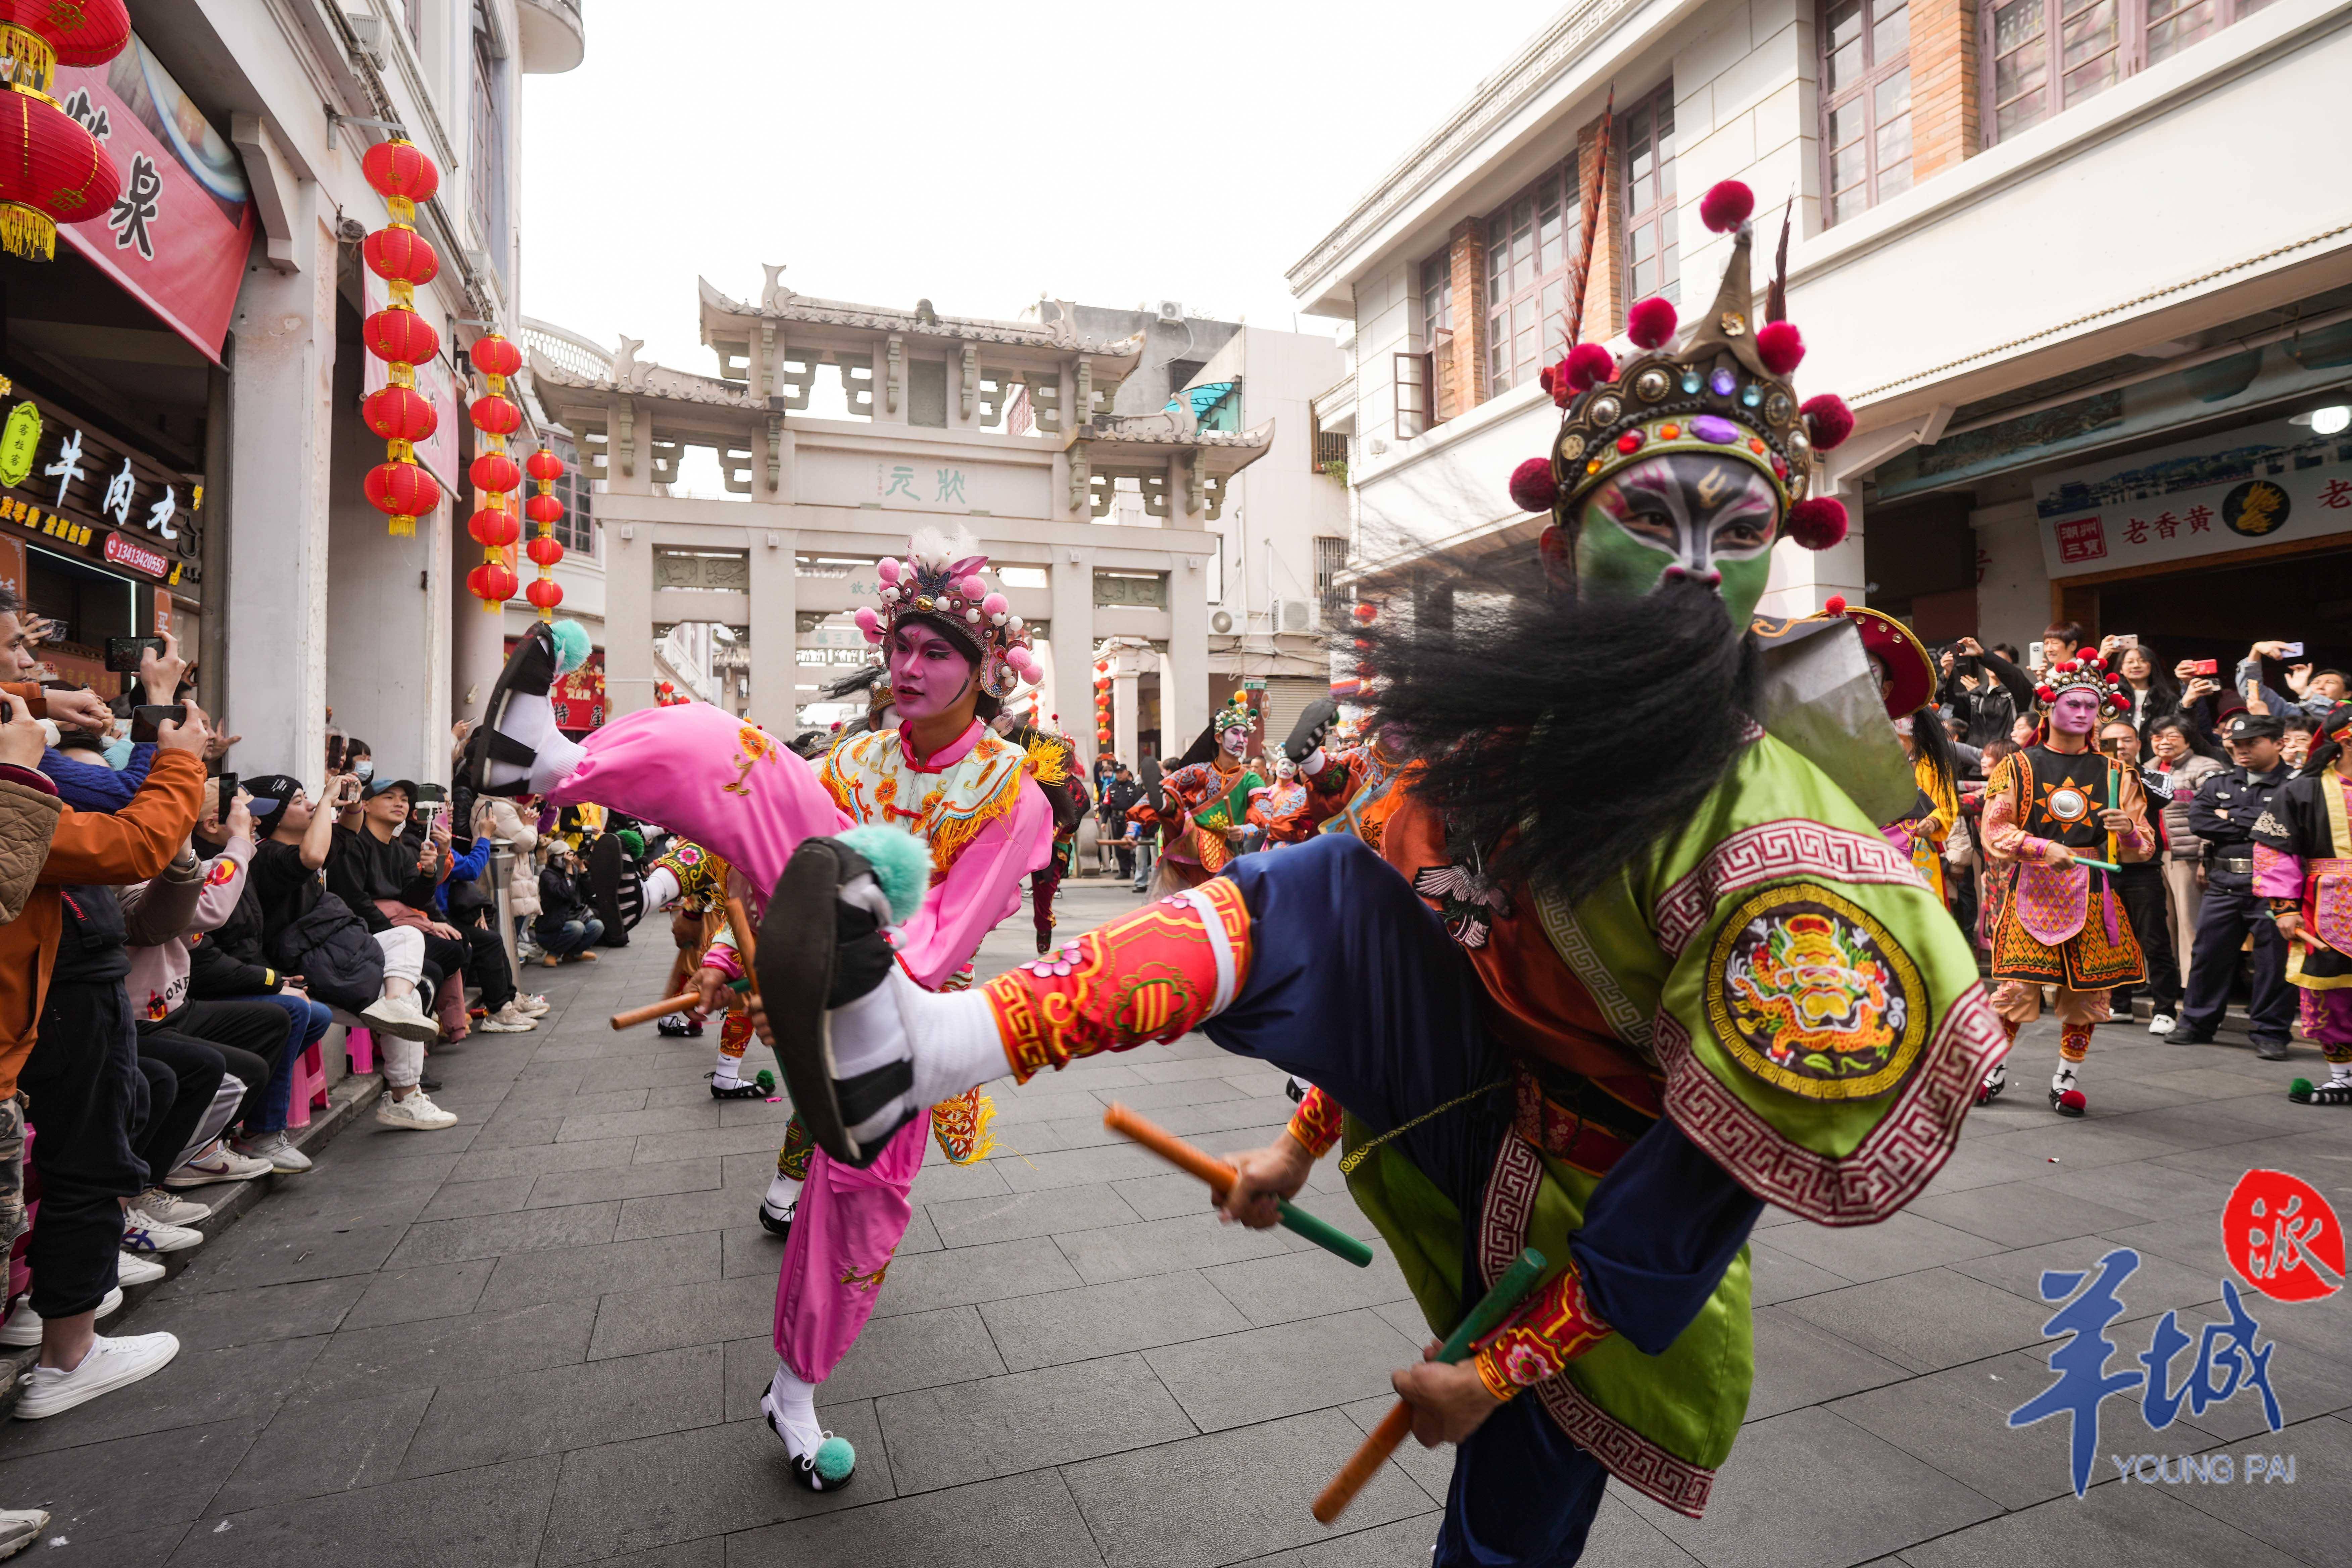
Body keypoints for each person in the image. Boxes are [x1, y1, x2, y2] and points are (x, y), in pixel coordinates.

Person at [740, 195, 2001, 1561]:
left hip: (1602, 1217)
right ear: (1566, 546)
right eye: (1656, 513)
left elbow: (1705, 1179)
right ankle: (933, 1043)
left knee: (1510, 1519)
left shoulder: (1791, 852)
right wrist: (1294, 1144)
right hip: (1468, 1105)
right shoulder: (1503, 747)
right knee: (1337, 880)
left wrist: (1507, 1364)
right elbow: (1402, 944)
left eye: (1740, 525)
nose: (1699, 563)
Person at [463, 524, 1052, 1492]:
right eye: (899, 646)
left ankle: (795, 1387)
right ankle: (548, 763)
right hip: (818, 958)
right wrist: (738, 956)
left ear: (984, 672)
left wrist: (821, 971)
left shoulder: (1010, 792)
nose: (907, 666)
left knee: (862, 1217)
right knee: (736, 748)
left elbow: (947, 933)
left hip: (904, 1017)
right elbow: (762, 859)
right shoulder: (855, 763)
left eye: (935, 652)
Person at [1976, 651, 2154, 1114]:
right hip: (2032, 889)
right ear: (2049, 707)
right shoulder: (2017, 766)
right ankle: (1993, 1071)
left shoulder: (2117, 774)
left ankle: (2065, 1080)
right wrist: (2039, 848)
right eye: (2072, 704)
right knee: (2015, 988)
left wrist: (2128, 831)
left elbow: (2145, 846)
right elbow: (1995, 830)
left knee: (2088, 994)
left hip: (2094, 893)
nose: (2081, 713)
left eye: (2090, 707)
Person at [239, 772, 454, 1129]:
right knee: (411, 999)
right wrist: (325, 802)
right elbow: (313, 855)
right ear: (273, 815)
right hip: (309, 967)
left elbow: (348, 830)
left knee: (407, 939)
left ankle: (395, 1008)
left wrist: (352, 803)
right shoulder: (268, 857)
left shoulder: (303, 847)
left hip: (337, 953)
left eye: (309, 799)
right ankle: (404, 1097)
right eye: (298, 801)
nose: (309, 804)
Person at [2178, 713, 2297, 1058]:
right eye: (2237, 745)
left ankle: (2270, 1032)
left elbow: (2289, 830)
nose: (2242, 751)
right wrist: (2256, 822)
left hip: (2274, 885)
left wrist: (2230, 818)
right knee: (2209, 954)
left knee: (2274, 961)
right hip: (2225, 881)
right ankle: (2197, 1023)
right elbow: (2199, 821)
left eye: (2252, 744)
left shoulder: (2297, 783)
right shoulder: (2220, 782)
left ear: (2279, 743)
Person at [2257, 704, 2352, 1102]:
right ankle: (2343, 1076)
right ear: (2345, 740)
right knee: (2331, 991)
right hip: (2327, 906)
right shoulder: (2302, 789)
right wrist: (2285, 906)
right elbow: (2274, 850)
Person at [2095, 719, 2181, 1038]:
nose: (2120, 746)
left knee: (2155, 940)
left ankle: (2164, 1010)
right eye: (2111, 741)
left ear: (2138, 744)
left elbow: (2162, 798)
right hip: (2101, 865)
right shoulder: (2091, 776)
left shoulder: (2155, 777)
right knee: (2113, 940)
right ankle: (2121, 1004)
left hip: (2142, 868)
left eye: (2127, 740)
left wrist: (2126, 776)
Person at [2140, 716, 2223, 1034]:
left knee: (2191, 926)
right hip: (2154, 856)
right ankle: (2166, 985)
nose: (2163, 742)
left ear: (2188, 738)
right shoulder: (2146, 768)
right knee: (2162, 928)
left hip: (2188, 857)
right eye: (2157, 737)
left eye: (2171, 736)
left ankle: (2193, 989)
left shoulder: (2204, 767)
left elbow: (2216, 813)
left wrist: (2206, 856)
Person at [1127, 700, 1263, 892]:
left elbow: (1263, 812)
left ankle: (1168, 807)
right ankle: (1166, 806)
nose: (1241, 740)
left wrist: (1244, 829)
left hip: (1222, 849)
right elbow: (1155, 794)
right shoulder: (1197, 772)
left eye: (1245, 734)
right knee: (1171, 796)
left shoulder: (1251, 780)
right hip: (1187, 838)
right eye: (1235, 733)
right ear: (1218, 737)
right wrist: (1133, 829)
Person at [534, 843, 603, 964]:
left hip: (572, 920)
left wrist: (582, 869)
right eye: (563, 856)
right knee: (577, 927)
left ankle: (573, 954)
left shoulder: (574, 871)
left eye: (570, 854)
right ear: (551, 859)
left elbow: (591, 892)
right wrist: (569, 871)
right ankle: (553, 954)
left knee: (597, 926)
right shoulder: (547, 875)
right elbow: (565, 894)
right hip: (551, 930)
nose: (568, 859)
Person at [1245, 753, 1315, 847]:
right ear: (1275, 767)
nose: (1285, 768)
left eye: (1291, 765)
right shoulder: (1267, 792)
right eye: (1283, 764)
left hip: (1293, 841)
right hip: (1267, 839)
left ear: (1296, 772)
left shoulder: (1302, 793)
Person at [1099, 765, 1143, 882]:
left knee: (1131, 845)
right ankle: (1124, 871)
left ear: (1126, 773)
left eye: (1121, 772)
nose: (1119, 774)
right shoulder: (1111, 788)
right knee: (1119, 845)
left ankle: (1135, 869)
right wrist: (1104, 822)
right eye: (1117, 772)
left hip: (1130, 820)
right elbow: (1106, 806)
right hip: (1116, 820)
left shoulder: (1133, 787)